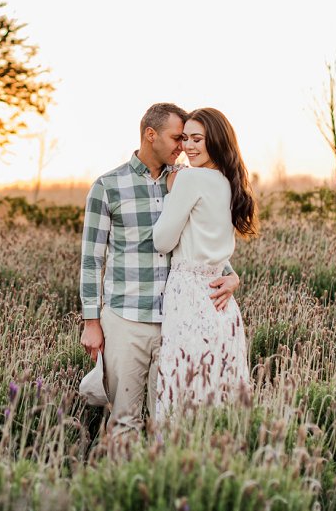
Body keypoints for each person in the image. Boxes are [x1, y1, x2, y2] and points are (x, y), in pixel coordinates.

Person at [79, 103, 241, 436]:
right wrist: (91, 322)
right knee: (125, 420)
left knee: (167, 420)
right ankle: (119, 485)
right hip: (127, 319)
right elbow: (92, 258)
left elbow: (200, 239)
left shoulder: (184, 180)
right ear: (150, 135)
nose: (183, 146)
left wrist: (231, 273)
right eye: (176, 137)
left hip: (175, 321)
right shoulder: (108, 186)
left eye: (188, 138)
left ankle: (159, 485)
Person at [152, 107, 258, 421]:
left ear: (216, 141)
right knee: (218, 390)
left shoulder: (189, 179)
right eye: (184, 139)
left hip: (189, 295)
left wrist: (171, 193)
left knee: (183, 386)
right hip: (222, 302)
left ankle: (180, 456)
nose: (189, 147)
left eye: (198, 139)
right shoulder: (228, 181)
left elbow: (162, 241)